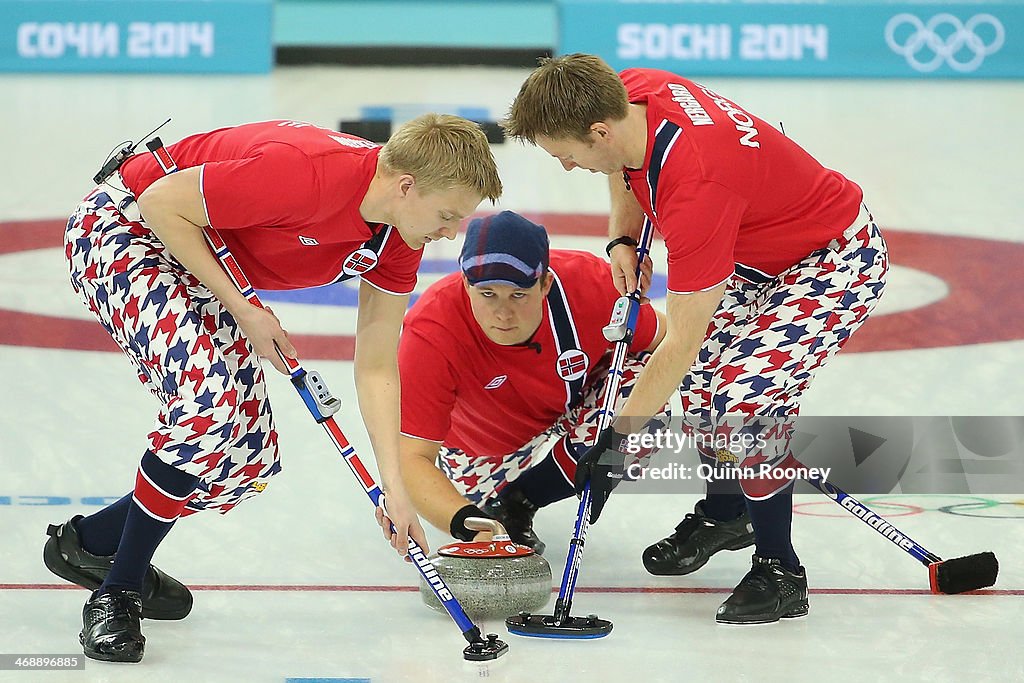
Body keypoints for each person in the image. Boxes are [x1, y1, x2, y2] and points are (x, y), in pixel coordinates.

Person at [46, 114, 502, 662]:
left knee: (244, 460)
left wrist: (395, 491)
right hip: (126, 232)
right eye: (447, 215)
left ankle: (91, 543)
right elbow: (161, 204)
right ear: (406, 187)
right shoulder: (306, 172)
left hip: (196, 256)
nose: (451, 232)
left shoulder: (399, 236)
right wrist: (242, 307)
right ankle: (116, 591)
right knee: (210, 413)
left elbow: (378, 364)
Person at [503, 54, 888, 624]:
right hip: (758, 251)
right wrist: (622, 238)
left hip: (834, 259)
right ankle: (728, 512)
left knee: (745, 399)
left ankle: (781, 571)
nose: (563, 166)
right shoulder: (630, 92)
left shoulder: (698, 186)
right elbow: (625, 166)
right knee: (706, 384)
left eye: (565, 153)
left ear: (598, 131)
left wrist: (616, 446)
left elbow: (677, 344)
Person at [397, 211, 667, 554]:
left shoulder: (590, 284)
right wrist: (476, 529)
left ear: (545, 284)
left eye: (518, 294)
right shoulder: (431, 332)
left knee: (650, 405)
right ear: (466, 284)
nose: (503, 313)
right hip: (485, 442)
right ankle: (500, 504)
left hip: (581, 399)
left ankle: (522, 499)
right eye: (487, 294)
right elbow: (411, 459)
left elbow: (672, 343)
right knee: (473, 507)